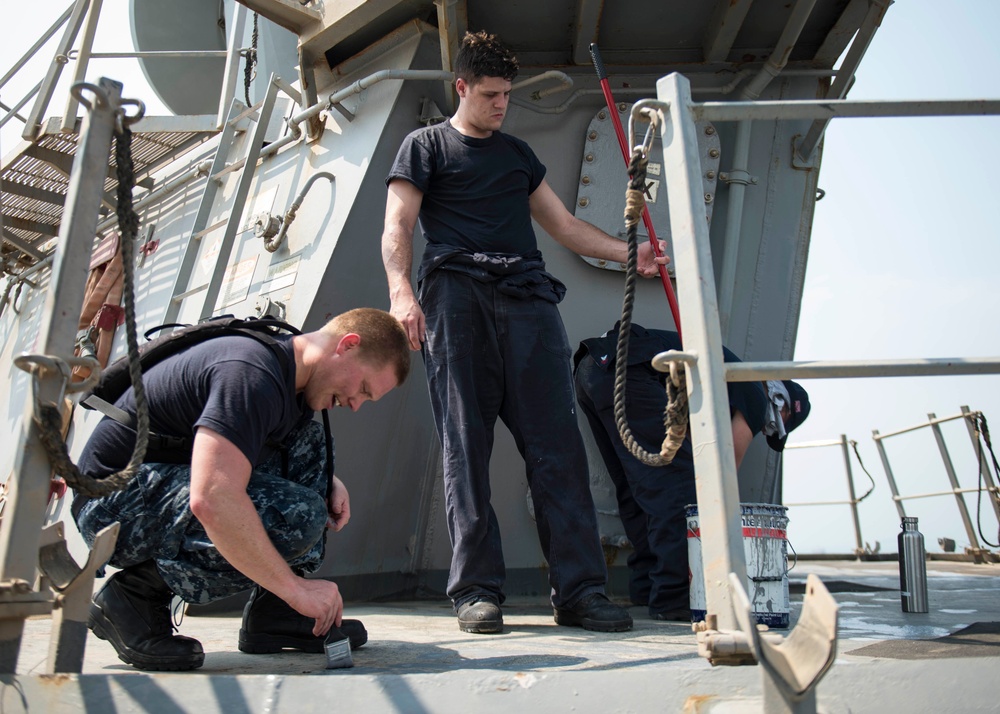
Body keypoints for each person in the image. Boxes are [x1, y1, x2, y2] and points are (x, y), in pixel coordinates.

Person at [380, 30, 667, 635]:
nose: (501, 105)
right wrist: (401, 293)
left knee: (557, 448)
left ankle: (581, 591)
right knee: (467, 445)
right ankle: (477, 592)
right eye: (489, 95)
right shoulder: (425, 146)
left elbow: (563, 225)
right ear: (461, 87)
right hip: (456, 297)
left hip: (529, 302)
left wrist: (629, 253)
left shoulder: (516, 155)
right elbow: (398, 225)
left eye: (506, 95)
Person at [73, 308, 411, 670]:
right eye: (362, 389)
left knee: (313, 445)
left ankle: (273, 613)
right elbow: (214, 498)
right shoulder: (250, 373)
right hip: (112, 504)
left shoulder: (292, 380)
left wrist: (329, 478)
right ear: (347, 345)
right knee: (298, 516)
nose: (356, 405)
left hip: (155, 486)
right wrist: (297, 592)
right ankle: (134, 596)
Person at [573, 322, 810, 621]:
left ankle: (646, 587)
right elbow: (723, 477)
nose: (764, 430)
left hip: (594, 368)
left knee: (637, 491)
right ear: (783, 409)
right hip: (631, 369)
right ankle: (673, 599)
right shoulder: (757, 393)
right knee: (679, 490)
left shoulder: (731, 380)